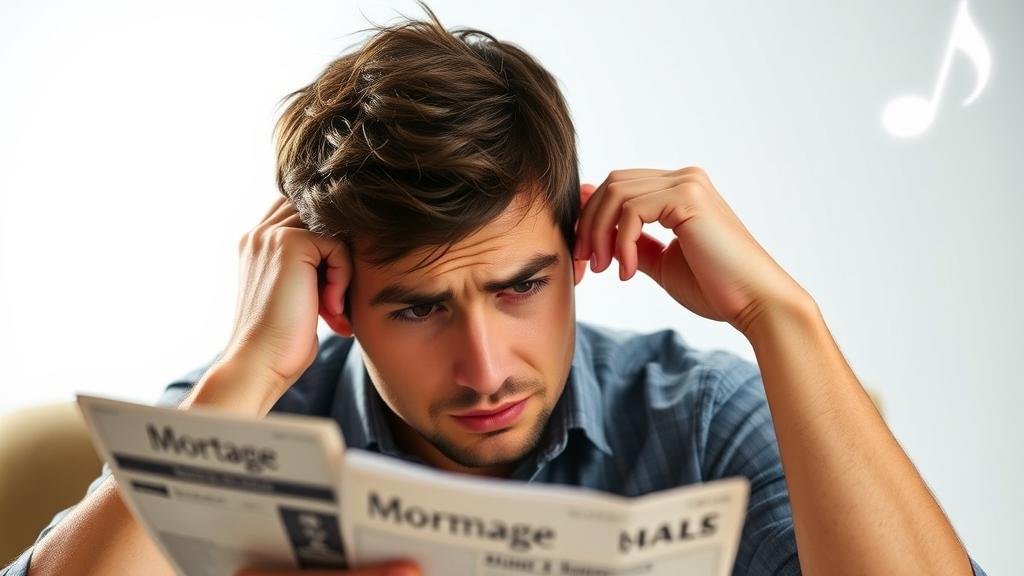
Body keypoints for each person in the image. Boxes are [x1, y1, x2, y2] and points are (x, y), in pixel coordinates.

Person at [4, 3, 987, 575]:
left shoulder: (697, 420)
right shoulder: (242, 424)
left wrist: (782, 319)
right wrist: (242, 375)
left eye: (522, 286)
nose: (486, 369)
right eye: (421, 306)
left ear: (575, 250)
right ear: (337, 293)